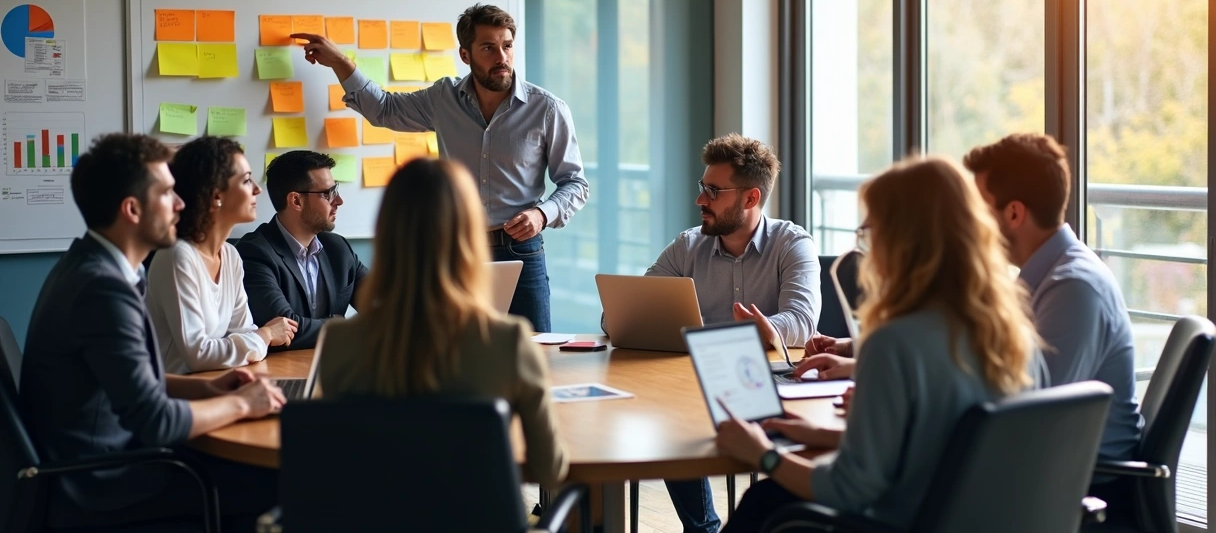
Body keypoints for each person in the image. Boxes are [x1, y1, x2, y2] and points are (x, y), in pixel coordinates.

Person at [717, 156, 1046, 532]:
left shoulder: (893, 343)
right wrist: (822, 434)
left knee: (765, 499)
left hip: (903, 522)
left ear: (899, 244)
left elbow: (847, 489)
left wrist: (763, 455)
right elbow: (945, 443)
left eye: (870, 235)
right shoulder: (1017, 336)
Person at [20, 133, 284, 529]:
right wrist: (245, 404)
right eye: (167, 194)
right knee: (280, 484)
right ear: (132, 210)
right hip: (101, 481)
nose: (181, 203)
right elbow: (156, 422)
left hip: (110, 457)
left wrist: (210, 388)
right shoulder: (102, 289)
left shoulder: (92, 266)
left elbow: (137, 382)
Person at [291, 4, 589, 333]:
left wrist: (542, 215)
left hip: (520, 249)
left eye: (507, 45)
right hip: (458, 248)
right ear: (466, 54)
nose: (501, 57)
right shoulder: (443, 98)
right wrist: (341, 63)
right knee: (455, 351)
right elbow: (385, 110)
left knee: (532, 348)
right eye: (488, 48)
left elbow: (575, 183)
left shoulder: (547, 109)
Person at [608, 133, 821, 533]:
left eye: (712, 190)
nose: (700, 200)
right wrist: (625, 316)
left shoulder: (793, 244)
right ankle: (702, 527)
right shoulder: (687, 246)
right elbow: (627, 310)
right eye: (702, 188)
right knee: (664, 413)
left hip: (766, 381)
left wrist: (765, 329)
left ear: (750, 198)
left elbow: (801, 322)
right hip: (691, 385)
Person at [318, 158, 567, 487]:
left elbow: (339, 461)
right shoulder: (509, 342)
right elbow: (550, 471)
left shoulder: (338, 341)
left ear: (387, 231)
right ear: (469, 234)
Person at [963, 133, 1143, 500]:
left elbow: (1030, 415)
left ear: (1014, 213)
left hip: (1076, 483)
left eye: (979, 211)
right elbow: (983, 352)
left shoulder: (1073, 288)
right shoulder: (1043, 276)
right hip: (1048, 465)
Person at [146, 136, 297, 373]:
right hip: (177, 396)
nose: (257, 189)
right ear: (216, 196)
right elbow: (199, 354)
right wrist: (266, 334)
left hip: (216, 382)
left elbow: (244, 330)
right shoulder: (177, 256)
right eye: (247, 181)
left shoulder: (231, 256)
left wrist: (256, 338)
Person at [236, 150, 369, 350]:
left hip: (332, 365)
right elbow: (285, 330)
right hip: (281, 374)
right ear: (296, 201)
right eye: (328, 194)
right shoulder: (254, 253)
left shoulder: (338, 248)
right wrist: (348, 327)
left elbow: (382, 305)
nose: (339, 201)